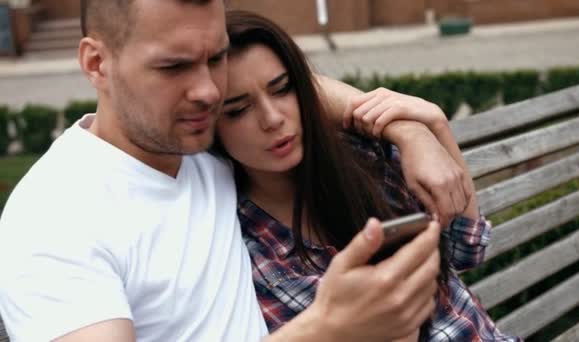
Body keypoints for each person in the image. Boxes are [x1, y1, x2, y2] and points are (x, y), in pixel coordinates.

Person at [0, 1, 474, 341]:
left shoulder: (199, 142)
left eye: (216, 57)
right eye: (175, 66)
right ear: (97, 63)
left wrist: (412, 130)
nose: (208, 90)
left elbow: (290, 89)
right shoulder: (52, 219)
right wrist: (328, 328)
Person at [215, 10, 521, 341]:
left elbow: (465, 248)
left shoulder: (361, 157)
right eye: (238, 110)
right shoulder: (241, 247)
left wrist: (432, 126)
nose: (272, 119)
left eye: (283, 89)